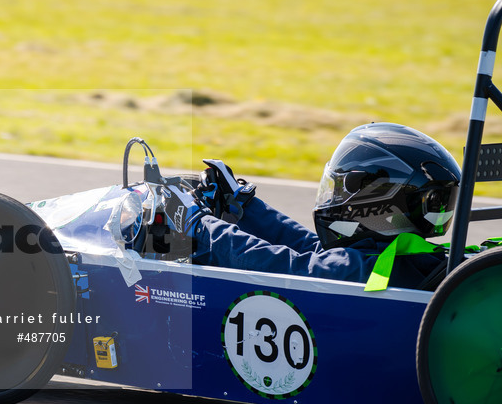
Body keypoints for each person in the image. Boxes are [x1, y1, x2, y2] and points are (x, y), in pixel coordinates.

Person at [164, 122, 462, 290]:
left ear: (378, 201)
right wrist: (247, 206)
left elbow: (282, 265)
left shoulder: (363, 270)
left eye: (341, 186)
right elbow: (315, 250)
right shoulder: (406, 257)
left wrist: (199, 225)